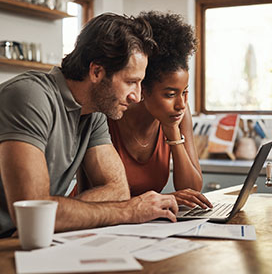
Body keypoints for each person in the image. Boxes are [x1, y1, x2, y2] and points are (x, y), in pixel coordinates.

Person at [0, 12, 178, 239]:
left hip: (27, 240)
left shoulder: (94, 114)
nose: (136, 96)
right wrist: (129, 211)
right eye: (130, 82)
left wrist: (55, 215)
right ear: (96, 72)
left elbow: (118, 190)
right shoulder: (29, 97)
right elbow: (33, 212)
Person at [108, 11, 212, 209]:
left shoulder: (178, 115)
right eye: (170, 94)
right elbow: (99, 194)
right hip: (91, 223)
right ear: (142, 89)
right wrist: (163, 199)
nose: (181, 104)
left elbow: (192, 190)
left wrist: (173, 132)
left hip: (141, 226)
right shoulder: (111, 114)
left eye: (185, 92)